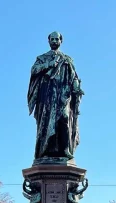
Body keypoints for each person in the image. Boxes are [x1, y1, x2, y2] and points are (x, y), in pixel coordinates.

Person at [28, 31, 84, 161]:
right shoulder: (42, 58)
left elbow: (74, 76)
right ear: (48, 41)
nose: (54, 41)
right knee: (47, 122)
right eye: (52, 39)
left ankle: (65, 150)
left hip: (63, 94)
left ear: (60, 41)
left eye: (56, 39)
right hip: (46, 95)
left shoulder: (67, 59)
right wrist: (48, 65)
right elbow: (34, 70)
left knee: (64, 117)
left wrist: (76, 88)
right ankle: (45, 151)